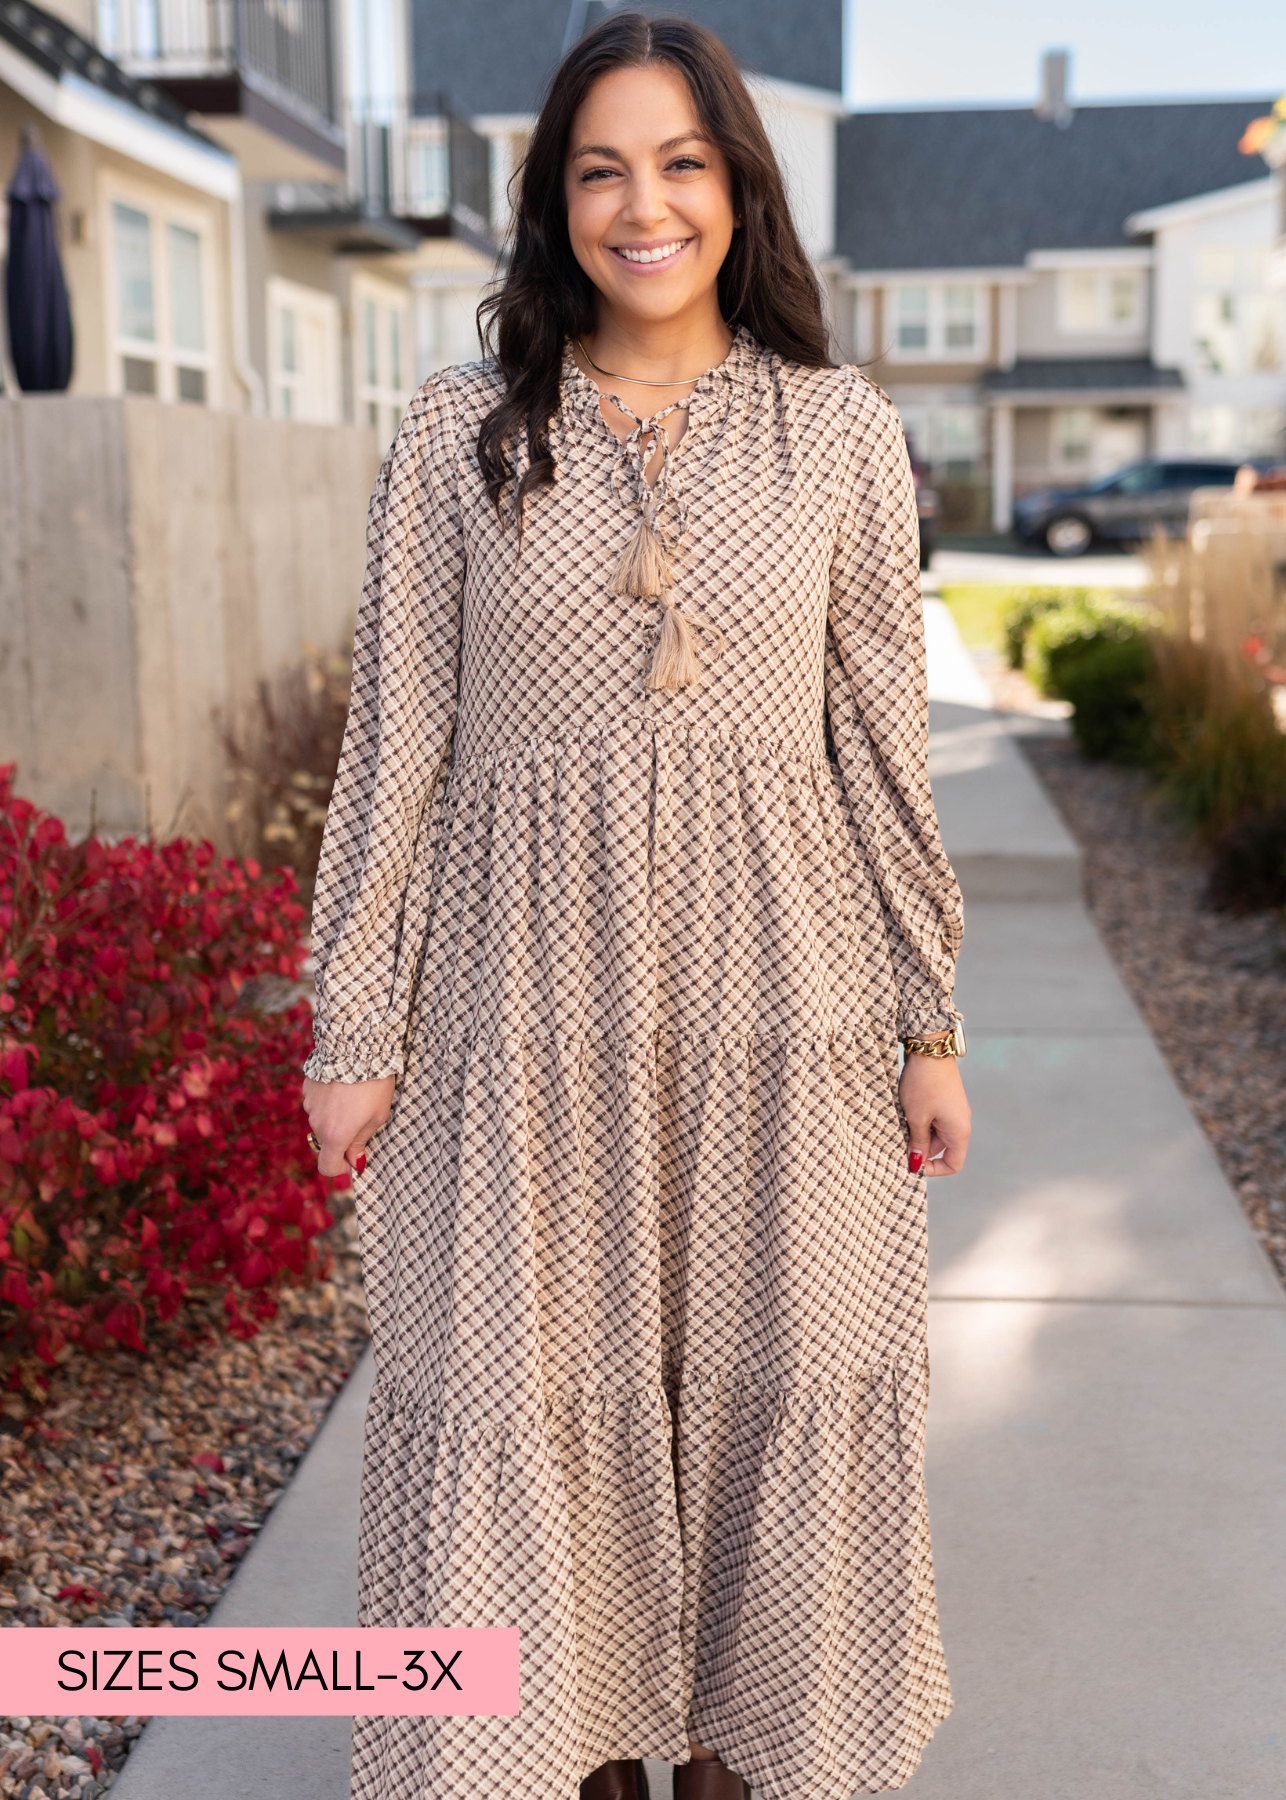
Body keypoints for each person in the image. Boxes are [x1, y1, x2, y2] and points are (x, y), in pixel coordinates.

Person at [302, 14, 971, 1800]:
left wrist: (926, 1020)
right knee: (526, 1380)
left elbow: (878, 748)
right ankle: (564, 1759)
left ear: (738, 189)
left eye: (680, 162)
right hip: (519, 1010)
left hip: (791, 1002)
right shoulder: (461, 434)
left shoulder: (834, 433)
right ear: (553, 202)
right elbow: (400, 740)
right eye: (600, 168)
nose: (642, 204)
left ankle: (745, 1759)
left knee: (785, 1376)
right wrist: (357, 1021)